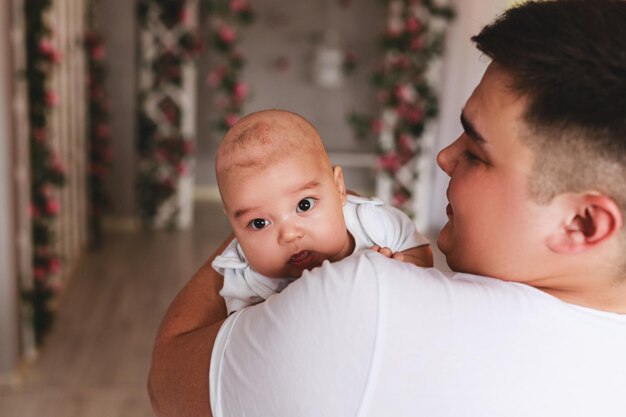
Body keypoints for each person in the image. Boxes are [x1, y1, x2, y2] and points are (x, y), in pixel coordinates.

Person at [148, 1, 626, 416]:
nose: (445, 156)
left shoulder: (368, 306)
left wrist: (257, 218)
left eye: (477, 154)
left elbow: (167, 382)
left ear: (583, 223)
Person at [212, 109, 432, 314]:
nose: (289, 234)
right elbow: (243, 339)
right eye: (259, 223)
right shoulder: (245, 278)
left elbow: (420, 252)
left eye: (304, 205)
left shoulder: (372, 222)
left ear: (339, 188)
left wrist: (399, 269)